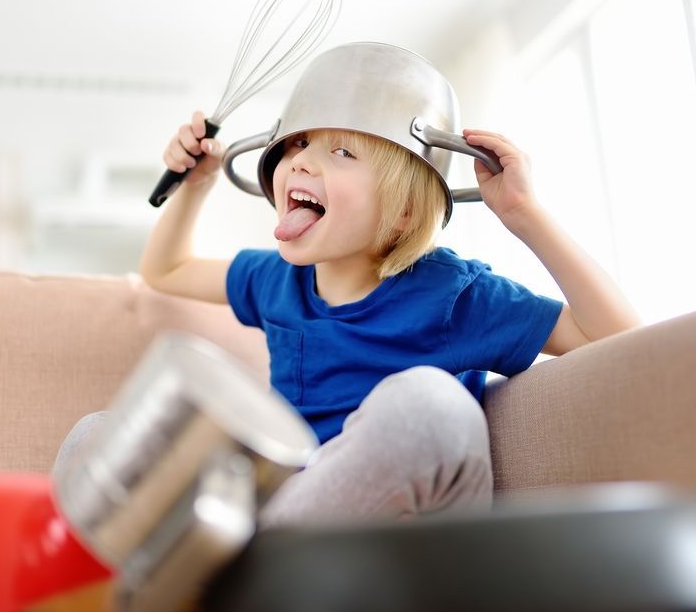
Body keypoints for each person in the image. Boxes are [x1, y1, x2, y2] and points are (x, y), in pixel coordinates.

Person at [55, 49, 640, 528]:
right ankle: (224, 566)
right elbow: (167, 270)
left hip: (388, 544)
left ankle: (246, 567)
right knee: (100, 437)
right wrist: (197, 186)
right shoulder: (276, 280)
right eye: (298, 144)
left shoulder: (453, 294)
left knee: (432, 405)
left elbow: (617, 340)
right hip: (289, 508)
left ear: (407, 211)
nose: (301, 163)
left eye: (340, 151)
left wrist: (526, 216)